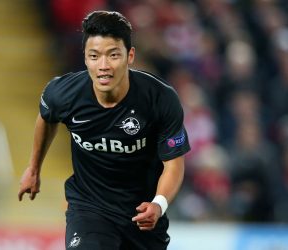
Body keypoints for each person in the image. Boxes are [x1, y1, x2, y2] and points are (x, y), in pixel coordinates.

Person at [18, 10, 191, 250]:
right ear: (85, 58)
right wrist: (33, 168)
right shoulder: (63, 94)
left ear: (130, 56)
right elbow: (46, 118)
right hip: (89, 208)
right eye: (94, 56)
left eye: (113, 55)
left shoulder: (160, 99)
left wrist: (158, 204)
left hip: (142, 216)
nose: (103, 66)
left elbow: (174, 163)